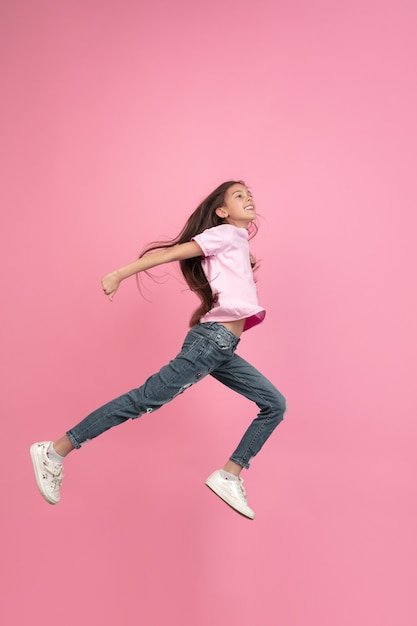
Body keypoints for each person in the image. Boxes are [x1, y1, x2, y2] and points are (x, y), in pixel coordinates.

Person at [30, 181, 286, 519]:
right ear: (221, 211)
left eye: (250, 194)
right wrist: (118, 275)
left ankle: (228, 474)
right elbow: (171, 253)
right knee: (142, 401)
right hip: (210, 344)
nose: (249, 198)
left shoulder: (235, 241)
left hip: (222, 348)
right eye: (239, 196)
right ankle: (54, 451)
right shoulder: (222, 234)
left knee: (273, 404)